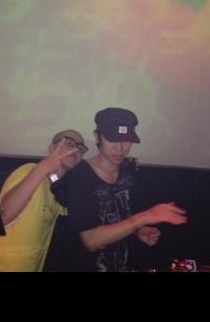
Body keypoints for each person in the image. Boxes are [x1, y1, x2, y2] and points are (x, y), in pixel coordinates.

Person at [64, 107, 188, 272]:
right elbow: (91, 239)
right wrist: (144, 217)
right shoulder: (81, 175)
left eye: (126, 140)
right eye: (112, 139)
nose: (120, 148)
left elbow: (118, 218)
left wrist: (137, 230)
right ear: (97, 136)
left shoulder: (127, 171)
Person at [0, 129, 88, 272]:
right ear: (52, 148)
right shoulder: (30, 170)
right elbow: (3, 216)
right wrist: (42, 168)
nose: (75, 149)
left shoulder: (58, 192)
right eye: (69, 142)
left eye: (80, 147)